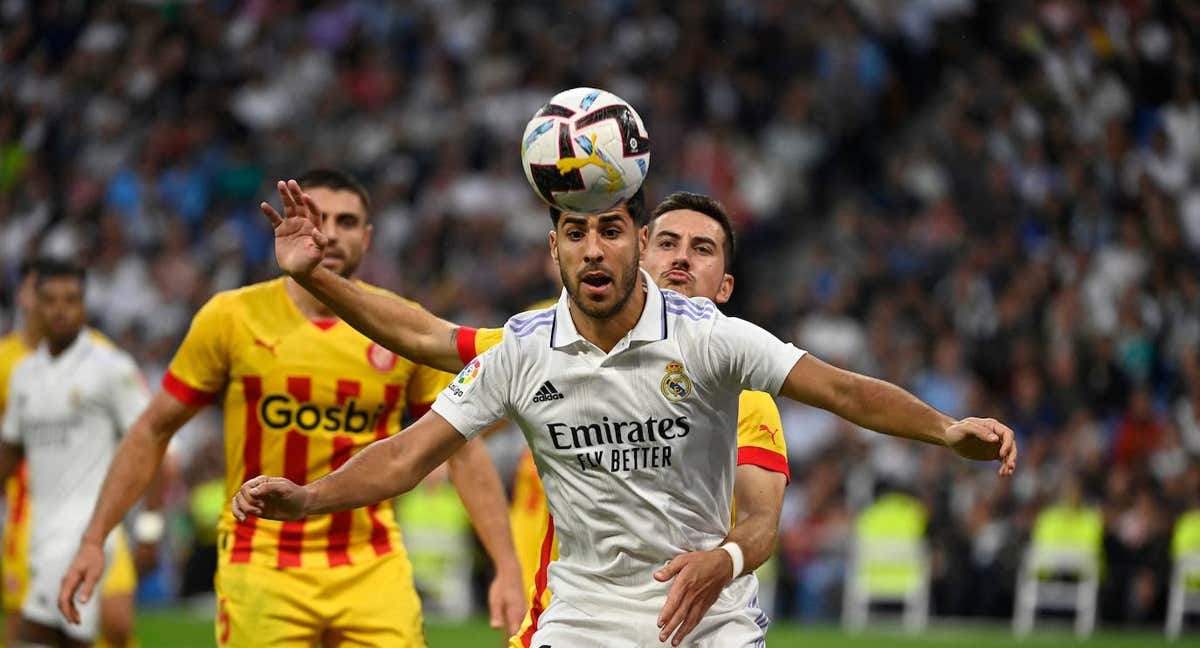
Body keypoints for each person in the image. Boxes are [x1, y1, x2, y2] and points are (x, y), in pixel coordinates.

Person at [245, 178, 1014, 647]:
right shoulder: (526, 346)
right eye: (576, 232)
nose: (678, 259)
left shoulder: (724, 353)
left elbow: (840, 398)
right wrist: (311, 495)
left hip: (707, 615)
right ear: (562, 249)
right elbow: (415, 397)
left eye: (700, 249)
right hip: (581, 613)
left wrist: (946, 430)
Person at [58, 169, 525, 647]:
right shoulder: (232, 317)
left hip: (370, 560)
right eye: (318, 217)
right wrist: (96, 538)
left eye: (348, 222)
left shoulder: (404, 327)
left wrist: (506, 565)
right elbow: (153, 429)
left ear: (366, 238)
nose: (333, 233)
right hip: (261, 558)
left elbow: (460, 448)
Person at [0, 260, 148, 647]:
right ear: (32, 302)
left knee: (107, 625)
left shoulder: (109, 365)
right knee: (39, 630)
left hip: (94, 528)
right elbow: (10, 450)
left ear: (84, 303)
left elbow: (151, 440)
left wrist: (150, 526)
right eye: (49, 299)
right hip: (32, 524)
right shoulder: (19, 371)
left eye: (71, 299)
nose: (60, 309)